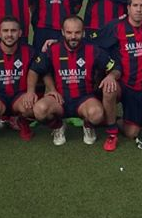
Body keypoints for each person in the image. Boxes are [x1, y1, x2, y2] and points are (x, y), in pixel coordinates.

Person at [25, 16, 121, 150]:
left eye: (77, 32)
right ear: (63, 32)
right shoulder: (53, 49)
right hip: (60, 99)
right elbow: (34, 70)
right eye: (69, 33)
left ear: (83, 32)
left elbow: (115, 67)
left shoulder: (93, 50)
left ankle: (88, 126)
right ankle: (58, 126)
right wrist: (31, 91)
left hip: (85, 99)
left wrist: (111, 76)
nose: (73, 37)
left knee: (97, 114)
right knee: (39, 110)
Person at [96, 0, 142, 148]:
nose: (138, 9)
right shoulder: (115, 26)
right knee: (109, 89)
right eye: (135, 6)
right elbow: (95, 47)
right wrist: (110, 71)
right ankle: (111, 133)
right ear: (128, 8)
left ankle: (109, 119)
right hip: (120, 81)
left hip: (140, 87)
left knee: (132, 132)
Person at [0, 16, 37, 142]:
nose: (9, 34)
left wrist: (31, 92)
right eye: (5, 31)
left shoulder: (30, 51)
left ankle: (23, 121)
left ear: (20, 33)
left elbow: (40, 69)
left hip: (20, 95)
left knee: (33, 107)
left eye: (13, 31)